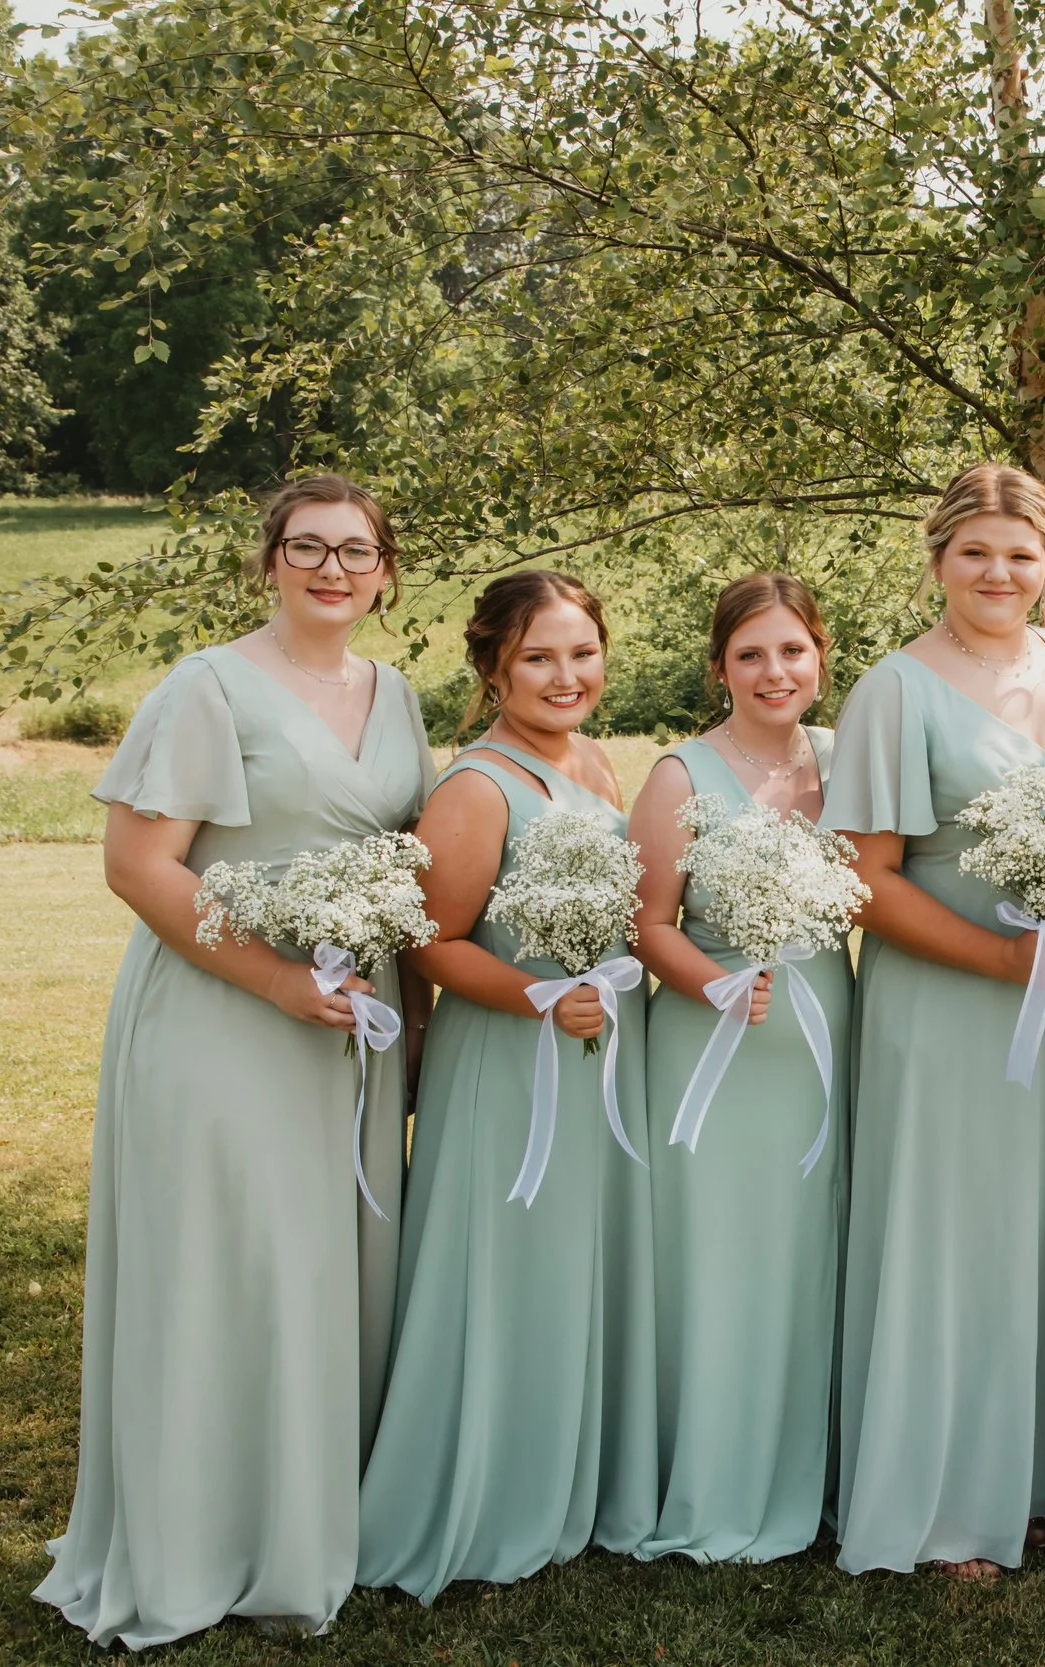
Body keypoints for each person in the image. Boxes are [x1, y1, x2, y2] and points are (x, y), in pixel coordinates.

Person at [38, 474, 432, 1647]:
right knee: (220, 1265)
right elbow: (137, 864)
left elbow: (405, 862)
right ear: (268, 561)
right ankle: (195, 1542)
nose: (331, 568)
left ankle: (305, 1522)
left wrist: (406, 1016)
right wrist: (275, 980)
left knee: (322, 1267)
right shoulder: (206, 686)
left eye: (355, 550)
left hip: (353, 1023)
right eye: (306, 546)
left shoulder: (398, 695)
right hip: (224, 1013)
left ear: (385, 572)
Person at [822, 463, 1045, 1579]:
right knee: (953, 1234)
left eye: (1021, 555)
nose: (1000, 573)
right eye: (976, 553)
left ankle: (1041, 1480)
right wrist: (999, 956)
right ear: (939, 558)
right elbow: (867, 879)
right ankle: (946, 1501)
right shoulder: (895, 688)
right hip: (949, 995)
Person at [357, 570, 659, 1599]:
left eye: (582, 652)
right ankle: (475, 1492)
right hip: (505, 1060)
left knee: (567, 1265)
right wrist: (541, 995)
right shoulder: (477, 788)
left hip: (591, 1057)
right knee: (499, 1267)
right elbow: (429, 940)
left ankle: (560, 1475)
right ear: (493, 668)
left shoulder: (595, 762)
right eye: (538, 657)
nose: (566, 675)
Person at [629, 573, 849, 1563]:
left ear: (820, 657)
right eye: (750, 653)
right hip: (710, 1045)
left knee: (811, 1250)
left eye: (792, 650)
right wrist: (714, 984)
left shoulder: (845, 762)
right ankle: (709, 1471)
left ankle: (813, 1467)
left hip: (821, 1038)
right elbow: (647, 923)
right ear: (719, 666)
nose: (774, 671)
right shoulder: (681, 776)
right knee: (716, 1255)